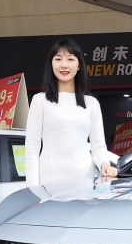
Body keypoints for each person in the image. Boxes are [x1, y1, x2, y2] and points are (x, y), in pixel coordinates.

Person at [25, 37, 118, 187]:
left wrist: (104, 164)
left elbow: (98, 146)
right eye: (58, 59)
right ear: (51, 64)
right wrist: (33, 188)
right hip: (49, 181)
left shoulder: (91, 103)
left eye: (70, 59)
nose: (64, 65)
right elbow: (31, 149)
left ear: (79, 65)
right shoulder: (39, 101)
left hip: (84, 181)